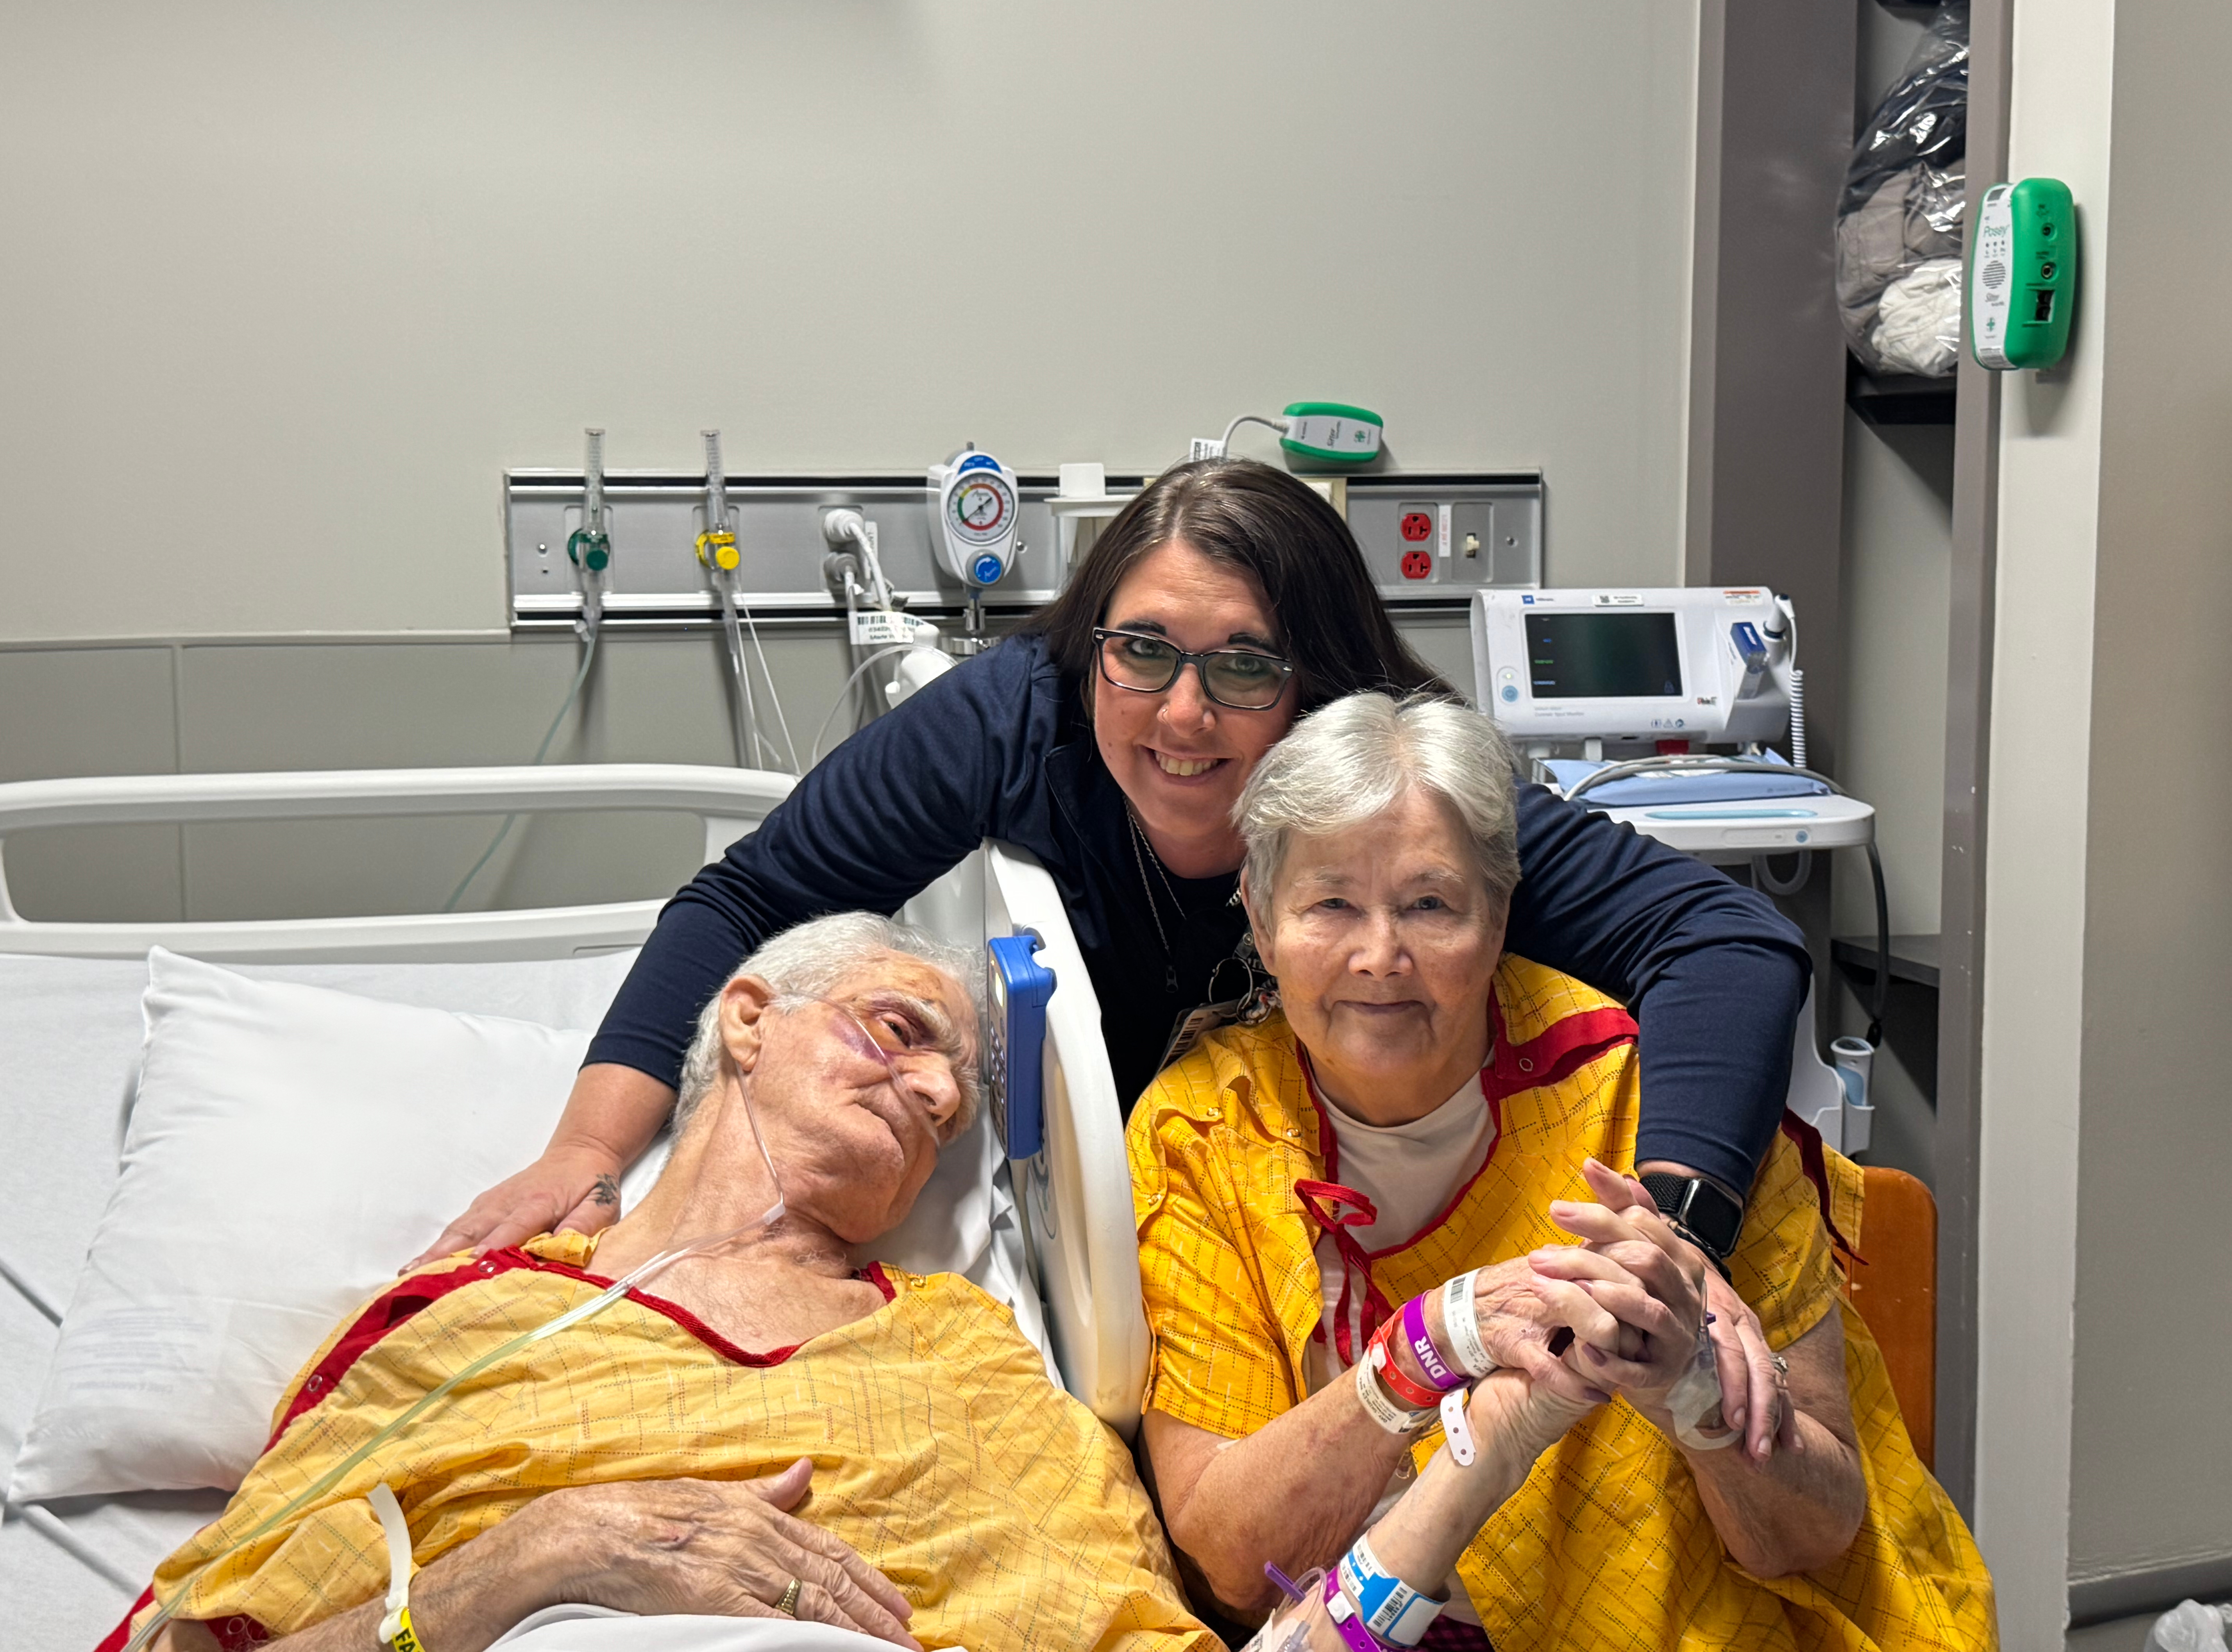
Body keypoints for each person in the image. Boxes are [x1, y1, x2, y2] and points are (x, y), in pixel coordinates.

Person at [421, 458, 1815, 1436]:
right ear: (1088, 645)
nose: (1182, 715)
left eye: (1245, 665)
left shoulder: (1403, 794)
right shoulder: (1008, 722)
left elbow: (1725, 941)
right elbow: (739, 905)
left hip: (1411, 1239)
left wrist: (1669, 1232)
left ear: (1320, 684)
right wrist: (585, 1153)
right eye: (1139, 650)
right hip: (1198, 1229)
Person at [1128, 695, 1995, 1650]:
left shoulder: (1656, 1104)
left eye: (1430, 904)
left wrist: (1694, 1391)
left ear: (1499, 912)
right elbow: (1233, 1561)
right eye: (1332, 904)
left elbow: (1814, 1531)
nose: (1381, 958)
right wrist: (1434, 1343)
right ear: (1259, 911)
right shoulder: (1203, 1129)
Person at [113, 914, 1214, 1652]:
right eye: (899, 1032)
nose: (931, 1089)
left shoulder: (964, 1350)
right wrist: (547, 1550)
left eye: (952, 1106)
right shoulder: (468, 1316)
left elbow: (1115, 1614)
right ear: (749, 1019)